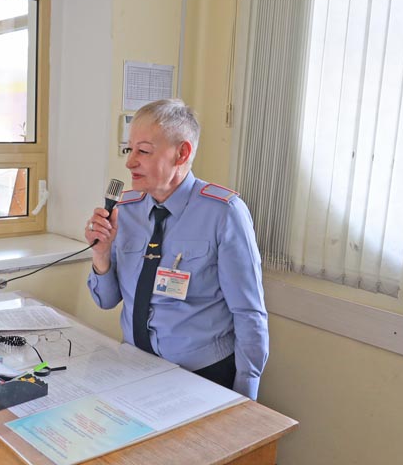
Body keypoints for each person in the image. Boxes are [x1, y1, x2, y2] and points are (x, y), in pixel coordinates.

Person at [84, 98, 268, 400]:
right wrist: (101, 254)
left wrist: (245, 397)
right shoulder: (125, 210)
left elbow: (249, 312)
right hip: (135, 367)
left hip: (202, 375)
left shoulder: (224, 213)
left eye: (144, 151)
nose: (130, 162)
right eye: (129, 150)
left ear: (181, 153)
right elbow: (106, 300)